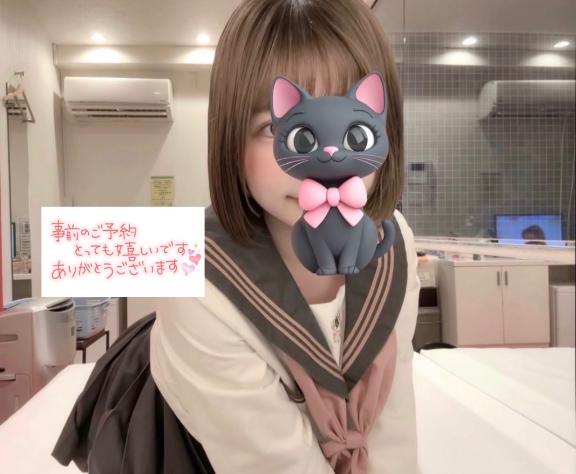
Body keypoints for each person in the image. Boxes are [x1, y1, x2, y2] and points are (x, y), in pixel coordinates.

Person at [52, 1, 421, 473]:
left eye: (354, 130)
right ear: (231, 140)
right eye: (280, 129)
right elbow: (273, 463)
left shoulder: (395, 245)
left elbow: (393, 422)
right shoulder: (198, 286)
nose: (325, 166)